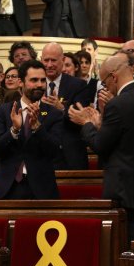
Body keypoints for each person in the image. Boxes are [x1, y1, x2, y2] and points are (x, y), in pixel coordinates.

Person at [69, 52, 134, 243]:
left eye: (104, 82)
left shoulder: (117, 105)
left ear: (113, 76)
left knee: (126, 247)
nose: (106, 87)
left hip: (125, 190)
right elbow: (127, 135)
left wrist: (86, 123)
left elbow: (99, 146)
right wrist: (100, 126)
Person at [0, 60, 63, 199]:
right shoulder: (4, 111)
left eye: (43, 80)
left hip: (42, 190)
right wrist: (14, 130)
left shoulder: (54, 114)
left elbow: (55, 151)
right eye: (34, 80)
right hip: (8, 188)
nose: (39, 85)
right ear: (21, 82)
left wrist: (37, 127)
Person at [40, 42, 88, 170]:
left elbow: (82, 119)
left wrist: (61, 108)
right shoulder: (34, 84)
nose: (49, 65)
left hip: (69, 155)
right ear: (41, 60)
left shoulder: (78, 85)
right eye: (46, 60)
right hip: (40, 154)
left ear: (62, 60)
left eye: (53, 60)